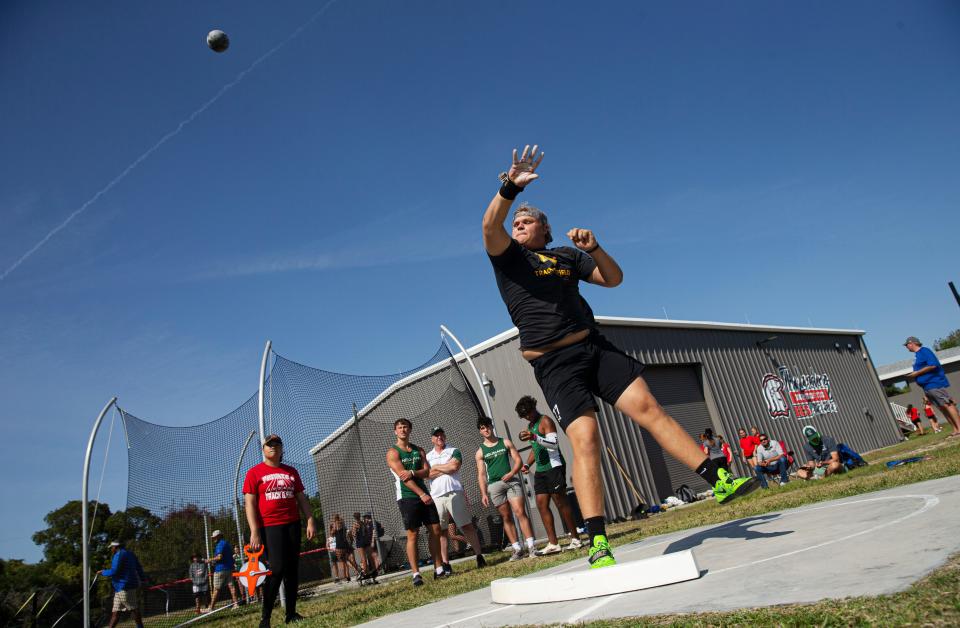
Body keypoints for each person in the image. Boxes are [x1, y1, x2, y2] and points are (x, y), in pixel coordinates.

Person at [481, 145, 756, 567]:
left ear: (544, 228)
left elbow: (613, 279)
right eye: (516, 221)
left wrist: (597, 247)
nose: (518, 223)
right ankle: (597, 542)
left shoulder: (567, 257)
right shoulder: (509, 258)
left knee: (648, 407)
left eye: (527, 220)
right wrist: (509, 188)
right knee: (586, 440)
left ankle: (717, 477)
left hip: (594, 347)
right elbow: (489, 224)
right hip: (554, 364)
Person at [243, 434, 316, 627]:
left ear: (282, 449)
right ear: (264, 449)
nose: (273, 447)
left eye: (277, 444)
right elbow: (249, 503)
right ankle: (265, 618)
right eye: (269, 445)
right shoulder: (254, 473)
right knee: (276, 569)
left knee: (292, 569)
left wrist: (310, 520)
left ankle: (291, 614)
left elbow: (301, 498)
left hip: (292, 523)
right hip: (269, 526)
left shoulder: (291, 471)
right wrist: (254, 531)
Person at [514, 396, 583, 554]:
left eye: (529, 413)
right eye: (524, 416)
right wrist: (527, 464)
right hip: (541, 469)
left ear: (534, 408)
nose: (527, 417)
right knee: (541, 504)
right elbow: (535, 448)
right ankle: (553, 543)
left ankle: (575, 538)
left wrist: (534, 437)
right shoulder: (530, 426)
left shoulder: (545, 421)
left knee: (561, 502)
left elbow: (554, 444)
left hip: (554, 466)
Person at [385, 417, 445, 586]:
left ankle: (439, 569)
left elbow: (426, 471)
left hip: (424, 494)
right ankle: (416, 574)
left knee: (435, 529)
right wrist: (421, 494)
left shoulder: (419, 450)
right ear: (395, 431)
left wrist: (413, 472)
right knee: (413, 534)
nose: (402, 430)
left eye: (405, 427)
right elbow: (403, 478)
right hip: (408, 497)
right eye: (399, 427)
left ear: (410, 430)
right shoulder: (393, 453)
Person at [475, 416, 538, 560]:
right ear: (480, 431)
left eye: (488, 426)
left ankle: (531, 546)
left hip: (511, 482)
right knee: (506, 516)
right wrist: (484, 493)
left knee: (520, 511)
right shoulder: (480, 451)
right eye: (483, 428)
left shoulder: (505, 442)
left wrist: (511, 473)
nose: (486, 430)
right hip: (495, 486)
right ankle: (517, 549)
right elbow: (481, 474)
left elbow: (518, 460)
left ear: (492, 426)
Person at [426, 426, 487, 572]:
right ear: (432, 439)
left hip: (455, 492)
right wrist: (445, 467)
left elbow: (454, 467)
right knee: (441, 531)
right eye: (436, 436)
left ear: (445, 436)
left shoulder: (454, 450)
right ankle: (446, 564)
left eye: (441, 435)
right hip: (436, 496)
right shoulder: (427, 457)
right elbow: (427, 474)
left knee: (466, 526)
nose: (439, 437)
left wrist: (437, 468)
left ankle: (479, 556)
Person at [904, 336, 960, 436]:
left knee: (947, 404)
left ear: (912, 343)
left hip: (934, 383)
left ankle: (959, 428)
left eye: (907, 345)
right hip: (927, 387)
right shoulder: (918, 355)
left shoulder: (924, 351)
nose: (906, 347)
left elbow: (933, 365)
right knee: (942, 408)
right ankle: (955, 430)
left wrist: (916, 374)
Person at [98, 541, 146, 628]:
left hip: (124, 587)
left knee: (134, 609)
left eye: (111, 548)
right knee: (116, 612)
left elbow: (114, 571)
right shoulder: (130, 554)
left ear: (115, 547)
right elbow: (138, 567)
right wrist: (143, 579)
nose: (111, 550)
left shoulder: (118, 555)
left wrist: (103, 572)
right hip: (121, 588)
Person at [206, 530, 239, 611]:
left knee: (216, 589)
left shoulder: (220, 544)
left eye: (214, 537)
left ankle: (211, 607)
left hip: (220, 569)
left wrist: (209, 560)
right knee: (231, 586)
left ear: (219, 536)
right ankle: (236, 604)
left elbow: (219, 557)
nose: (213, 539)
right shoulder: (226, 543)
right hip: (229, 569)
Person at [329, 514, 361, 582]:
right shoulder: (334, 527)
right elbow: (331, 534)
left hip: (346, 546)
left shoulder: (344, 528)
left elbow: (350, 536)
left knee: (351, 560)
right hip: (339, 547)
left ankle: (358, 572)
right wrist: (332, 527)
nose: (338, 524)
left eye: (339, 522)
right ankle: (347, 577)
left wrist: (351, 542)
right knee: (343, 562)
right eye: (336, 521)